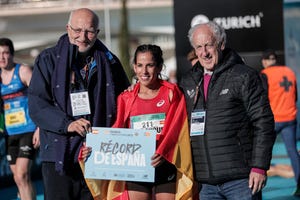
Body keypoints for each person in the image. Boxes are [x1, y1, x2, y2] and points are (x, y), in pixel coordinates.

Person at [27, 8, 130, 200]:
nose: (83, 37)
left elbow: (125, 100)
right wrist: (67, 124)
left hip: (98, 154)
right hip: (59, 154)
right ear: (68, 28)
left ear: (97, 33)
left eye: (89, 31)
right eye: (77, 30)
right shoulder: (48, 59)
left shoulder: (110, 62)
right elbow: (37, 105)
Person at [80, 44, 195, 200]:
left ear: (160, 67)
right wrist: (94, 147)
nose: (144, 71)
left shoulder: (172, 93)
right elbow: (116, 131)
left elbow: (178, 128)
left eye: (150, 65)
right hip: (137, 166)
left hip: (165, 162)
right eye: (140, 65)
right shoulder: (126, 98)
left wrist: (164, 151)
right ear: (134, 67)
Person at [179, 21, 276, 200]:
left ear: (221, 44)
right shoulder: (188, 82)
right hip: (205, 184)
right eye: (199, 47)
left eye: (209, 45)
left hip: (241, 181)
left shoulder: (244, 76)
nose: (204, 52)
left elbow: (264, 122)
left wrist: (259, 167)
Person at [0, 37, 39, 200]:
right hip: (9, 133)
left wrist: (39, 127)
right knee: (18, 178)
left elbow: (40, 95)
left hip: (28, 130)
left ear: (12, 54)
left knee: (22, 174)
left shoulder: (22, 71)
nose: (2, 57)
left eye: (5, 53)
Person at [260, 49, 300, 196]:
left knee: (261, 153)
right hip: (290, 118)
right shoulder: (289, 71)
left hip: (274, 120)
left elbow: (261, 100)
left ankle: (254, 188)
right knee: (293, 152)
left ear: (265, 61)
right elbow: (295, 97)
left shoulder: (265, 74)